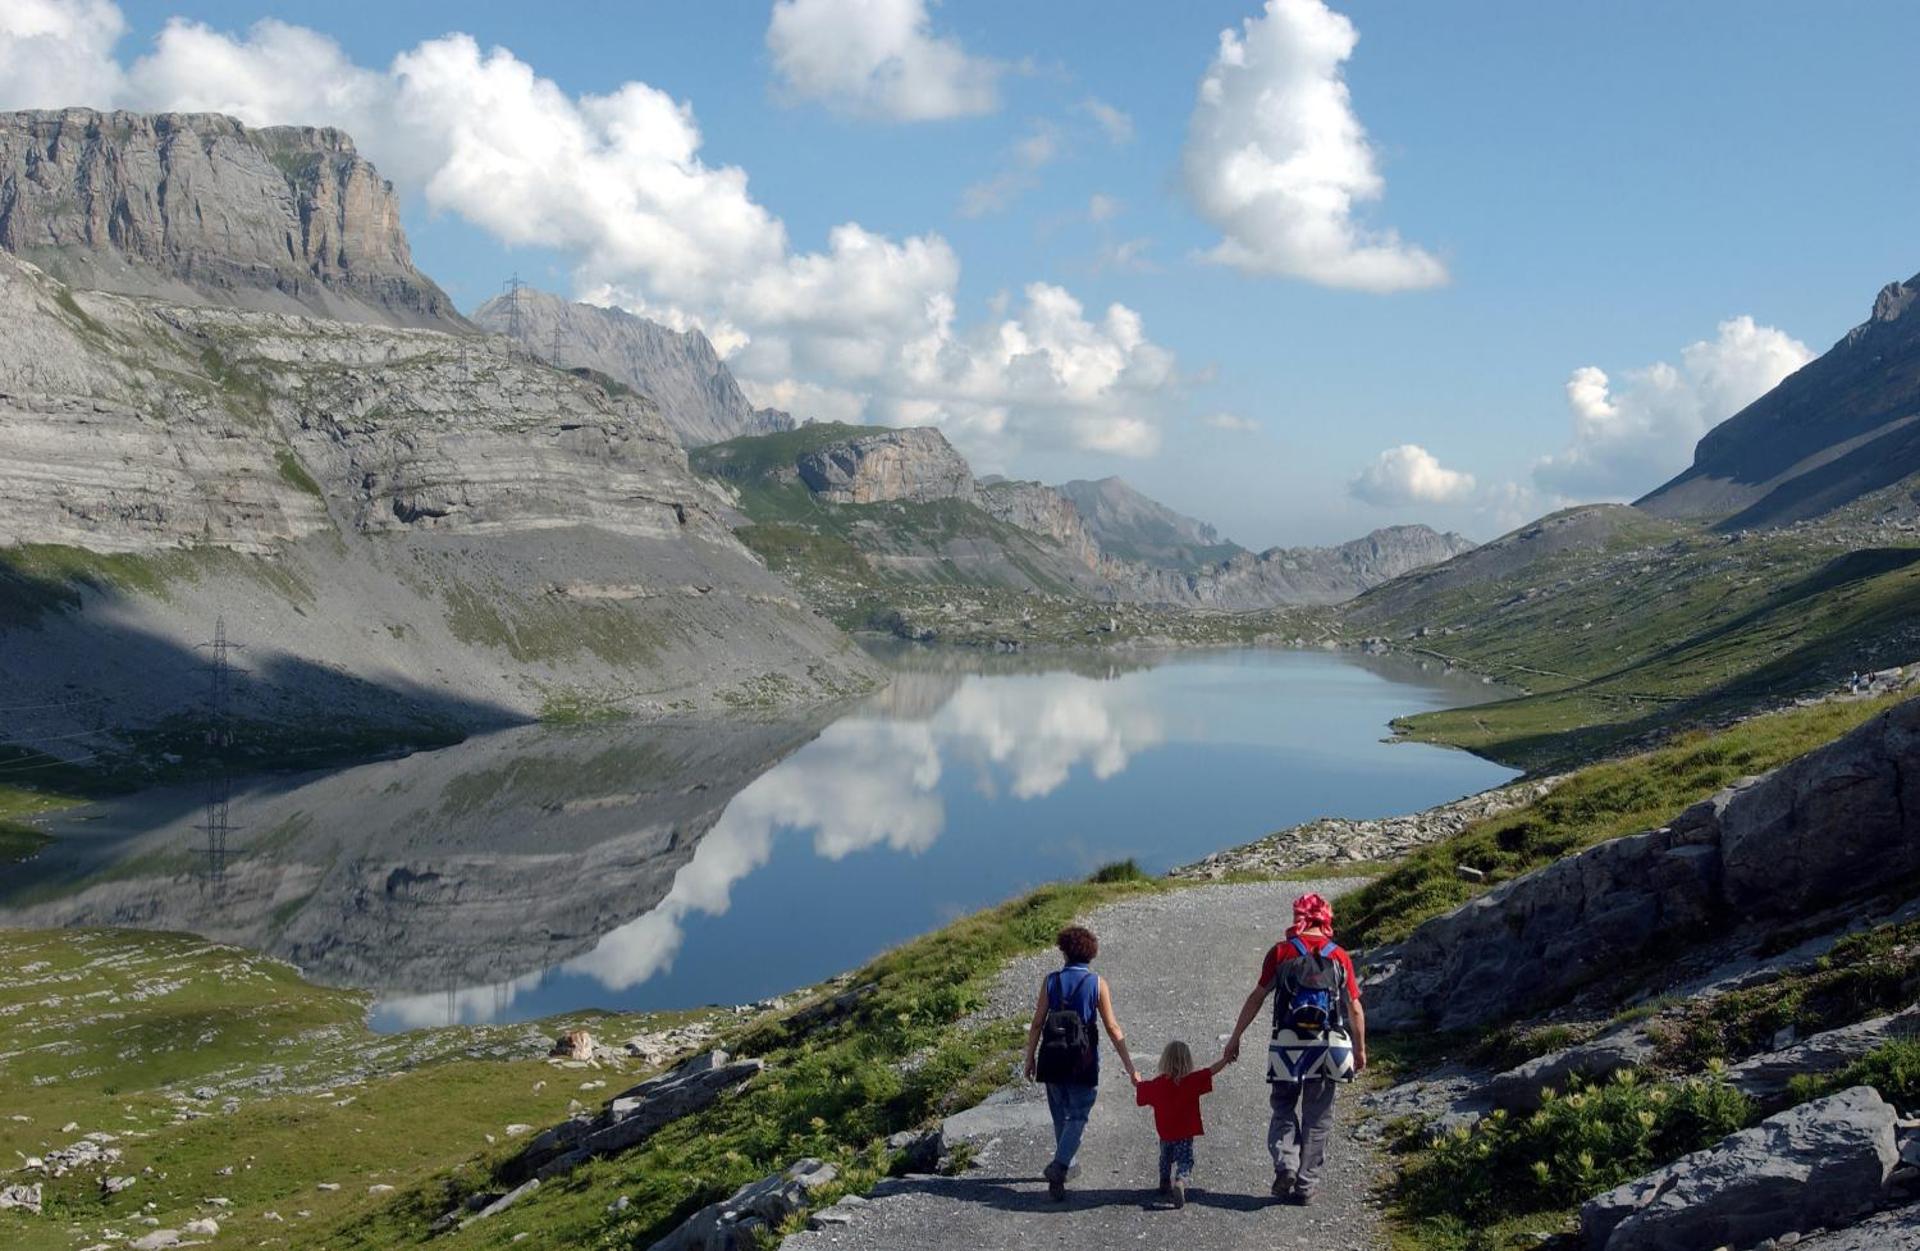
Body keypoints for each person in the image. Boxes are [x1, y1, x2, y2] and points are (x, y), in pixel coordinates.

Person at [1223, 892, 1367, 1207]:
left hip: (1286, 1044)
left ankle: (1286, 1164)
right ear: (1326, 918)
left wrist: (1235, 1037)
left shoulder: (1282, 952)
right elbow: (1354, 1007)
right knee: (1318, 1116)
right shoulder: (1339, 956)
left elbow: (1257, 997)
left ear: (1298, 916)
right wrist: (1359, 1050)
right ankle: (1306, 1185)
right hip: (1326, 1048)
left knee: (1283, 1107)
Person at [1023, 924, 1139, 1201]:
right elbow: (1112, 1027)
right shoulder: (1097, 983)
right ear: (1090, 953)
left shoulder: (1051, 981)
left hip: (1052, 1057)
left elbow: (1037, 1023)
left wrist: (1030, 1057)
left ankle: (1066, 1167)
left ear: (1064, 951)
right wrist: (1130, 1067)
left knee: (1060, 1114)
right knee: (1078, 1115)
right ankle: (1060, 1166)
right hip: (1082, 1060)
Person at [1134, 1039, 1231, 1208]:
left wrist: (1136, 1079)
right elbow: (1211, 1071)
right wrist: (1226, 1059)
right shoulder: (1192, 1081)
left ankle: (1164, 1181)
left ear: (1164, 1061)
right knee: (1185, 1160)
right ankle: (1180, 1181)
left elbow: (1141, 1088)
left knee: (1165, 1158)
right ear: (1188, 1062)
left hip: (1165, 1133)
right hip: (1185, 1133)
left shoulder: (1157, 1085)